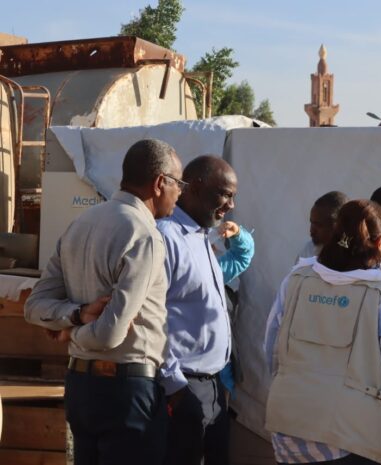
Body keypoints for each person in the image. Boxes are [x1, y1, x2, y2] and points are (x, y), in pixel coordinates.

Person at [24, 139, 183, 465]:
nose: (179, 193)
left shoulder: (81, 223)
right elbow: (109, 334)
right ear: (159, 183)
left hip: (81, 389)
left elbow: (36, 307)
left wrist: (72, 320)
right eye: (178, 183)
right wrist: (77, 321)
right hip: (127, 393)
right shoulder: (144, 235)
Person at [264, 199, 381, 465]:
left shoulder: (295, 280)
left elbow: (272, 350)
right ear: (380, 241)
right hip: (354, 440)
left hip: (290, 436)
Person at [158, 155, 253, 465]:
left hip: (212, 387)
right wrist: (175, 387)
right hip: (182, 386)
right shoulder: (166, 237)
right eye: (225, 194)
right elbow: (149, 317)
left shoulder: (201, 237)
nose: (230, 205)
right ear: (196, 187)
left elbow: (242, 257)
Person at [297, 191, 349, 260]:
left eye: (318, 225)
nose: (311, 231)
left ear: (337, 226)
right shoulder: (308, 251)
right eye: (311, 223)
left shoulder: (354, 258)